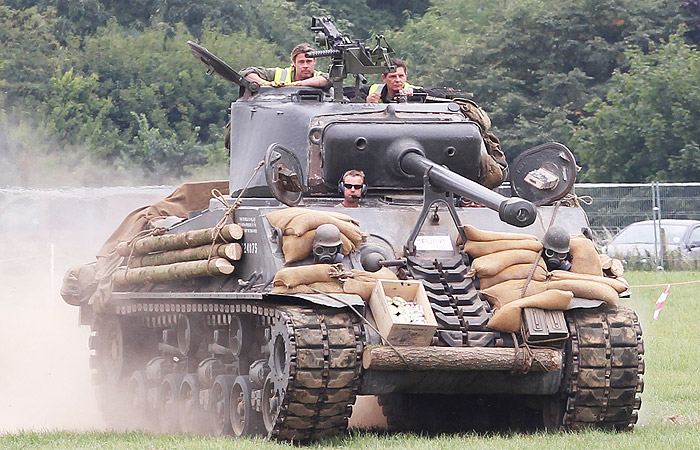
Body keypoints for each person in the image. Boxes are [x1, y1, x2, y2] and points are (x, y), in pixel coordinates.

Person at [240, 43, 329, 88]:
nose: (305, 65)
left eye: (308, 61)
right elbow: (246, 72)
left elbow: (328, 79)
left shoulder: (319, 77)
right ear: (294, 63)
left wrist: (296, 84)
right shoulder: (279, 74)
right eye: (301, 62)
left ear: (314, 62)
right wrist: (265, 83)